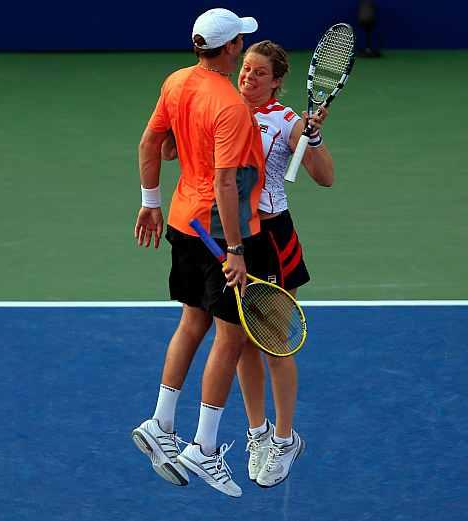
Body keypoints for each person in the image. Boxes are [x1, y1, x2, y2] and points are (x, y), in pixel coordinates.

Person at [131, 8, 265, 498]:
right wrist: (235, 250)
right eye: (240, 44)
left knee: (193, 322)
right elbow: (228, 181)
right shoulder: (228, 104)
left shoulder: (177, 81)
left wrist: (150, 202)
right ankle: (203, 448)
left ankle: (160, 422)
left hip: (184, 220)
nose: (242, 50)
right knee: (230, 337)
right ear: (229, 48)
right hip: (216, 230)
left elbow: (152, 141)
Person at [235, 41, 334, 488]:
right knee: (237, 340)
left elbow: (325, 176)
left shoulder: (286, 120)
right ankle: (256, 432)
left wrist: (312, 138)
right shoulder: (222, 108)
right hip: (232, 238)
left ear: (275, 81)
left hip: (272, 240)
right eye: (246, 69)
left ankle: (285, 437)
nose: (248, 77)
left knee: (273, 342)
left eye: (259, 73)